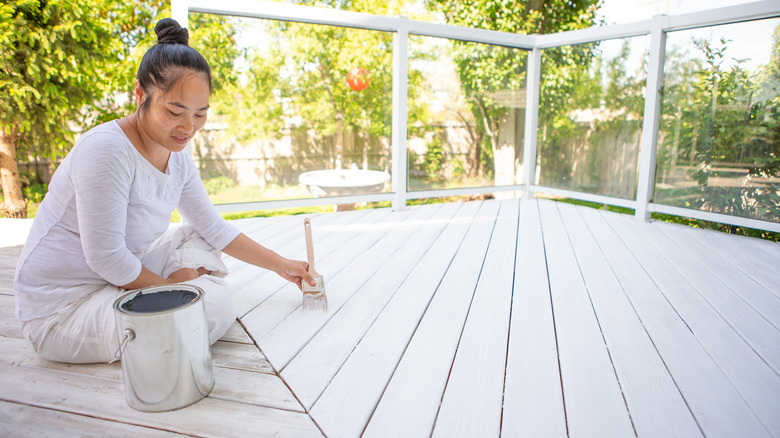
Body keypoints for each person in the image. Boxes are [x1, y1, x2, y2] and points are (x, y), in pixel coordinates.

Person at [13, 18, 314, 364]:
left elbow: (213, 228)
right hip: (64, 309)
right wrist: (173, 288)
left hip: (119, 276)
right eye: (175, 111)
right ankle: (180, 291)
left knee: (194, 238)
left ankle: (176, 290)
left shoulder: (177, 155)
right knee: (212, 308)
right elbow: (106, 256)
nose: (188, 128)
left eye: (200, 114)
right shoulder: (106, 149)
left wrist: (283, 265)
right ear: (140, 94)